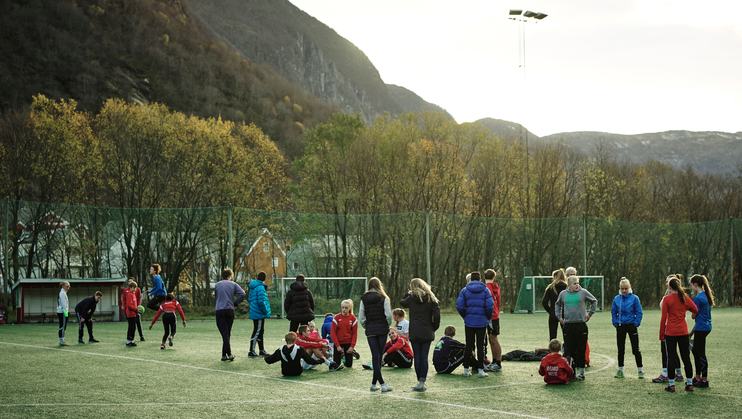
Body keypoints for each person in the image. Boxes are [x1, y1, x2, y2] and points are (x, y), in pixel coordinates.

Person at [400, 277, 440, 392]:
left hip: (415, 332)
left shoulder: (411, 298)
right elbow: (437, 316)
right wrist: (434, 327)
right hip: (427, 331)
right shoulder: (431, 297)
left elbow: (402, 302)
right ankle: (422, 381)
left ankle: (419, 382)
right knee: (424, 357)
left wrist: (406, 293)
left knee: (417, 356)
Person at [659, 275, 698, 393]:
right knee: (686, 358)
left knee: (670, 358)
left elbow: (663, 318)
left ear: (669, 287)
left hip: (670, 332)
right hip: (683, 332)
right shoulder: (684, 297)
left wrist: (661, 334)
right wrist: (691, 314)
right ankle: (690, 384)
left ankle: (671, 386)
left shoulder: (667, 299)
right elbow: (695, 309)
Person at [555, 275, 597, 380]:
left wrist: (589, 314)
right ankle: (571, 372)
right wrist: (559, 317)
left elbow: (594, 301)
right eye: (575, 283)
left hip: (581, 325)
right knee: (569, 350)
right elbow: (557, 304)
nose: (577, 285)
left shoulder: (583, 292)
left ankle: (581, 373)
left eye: (578, 283)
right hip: (568, 326)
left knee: (581, 349)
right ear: (569, 285)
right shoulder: (563, 294)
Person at [456, 271, 494, 378]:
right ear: (480, 279)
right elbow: (490, 306)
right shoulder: (485, 290)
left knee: (469, 345)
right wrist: (487, 317)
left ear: (471, 279)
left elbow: (459, 306)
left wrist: (465, 316)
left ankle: (466, 369)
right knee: (480, 346)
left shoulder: (464, 290)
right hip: (482, 322)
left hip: (469, 322)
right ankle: (481, 369)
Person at [359, 276, 393, 392]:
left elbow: (361, 317)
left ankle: (374, 384)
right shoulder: (384, 298)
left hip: (371, 330)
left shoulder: (364, 298)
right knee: (378, 356)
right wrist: (387, 324)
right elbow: (388, 315)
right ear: (379, 285)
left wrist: (366, 325)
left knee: (376, 356)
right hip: (382, 329)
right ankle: (383, 384)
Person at [611, 277, 644, 379]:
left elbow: (639, 312)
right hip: (620, 326)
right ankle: (620, 370)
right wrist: (615, 322)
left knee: (636, 349)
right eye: (622, 289)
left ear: (629, 288)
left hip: (631, 326)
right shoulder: (616, 299)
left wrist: (636, 323)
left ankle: (640, 370)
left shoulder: (635, 298)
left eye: (626, 288)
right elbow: (613, 312)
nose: (624, 291)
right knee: (621, 349)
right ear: (620, 289)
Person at [652, 274, 682, 383]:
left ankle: (665, 374)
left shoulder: (669, 298)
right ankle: (678, 373)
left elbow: (662, 307)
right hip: (678, 327)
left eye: (667, 282)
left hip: (669, 327)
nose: (666, 284)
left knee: (666, 351)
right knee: (673, 352)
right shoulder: (680, 296)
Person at [215, 268, 246, 361]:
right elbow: (243, 293)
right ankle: (226, 354)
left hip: (219, 310)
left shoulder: (217, 285)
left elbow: (216, 296)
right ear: (230, 276)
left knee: (225, 334)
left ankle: (226, 355)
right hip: (229, 310)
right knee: (227, 333)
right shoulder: (233, 284)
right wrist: (235, 303)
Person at [690, 274, 714, 388]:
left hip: (701, 328)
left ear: (695, 284)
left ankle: (704, 379)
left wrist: (692, 314)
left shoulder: (698, 298)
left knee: (700, 353)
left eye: (691, 285)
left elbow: (694, 316)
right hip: (706, 327)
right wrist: (691, 332)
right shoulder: (706, 295)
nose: (691, 288)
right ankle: (698, 376)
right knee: (695, 351)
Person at [248, 271, 271, 357]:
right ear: (264, 279)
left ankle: (261, 350)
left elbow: (250, 299)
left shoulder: (253, 287)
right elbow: (261, 301)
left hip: (255, 311)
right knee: (257, 331)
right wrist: (265, 311)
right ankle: (251, 351)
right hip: (259, 313)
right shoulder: (260, 287)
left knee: (260, 331)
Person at [330, 299, 359, 368]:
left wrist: (352, 346)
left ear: (350, 308)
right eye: (342, 307)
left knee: (349, 365)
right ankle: (342, 356)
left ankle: (348, 355)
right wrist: (337, 346)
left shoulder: (353, 319)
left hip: (348, 343)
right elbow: (333, 333)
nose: (344, 309)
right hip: (338, 343)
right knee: (336, 365)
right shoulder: (336, 317)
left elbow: (355, 334)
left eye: (346, 308)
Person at [484, 269, 502, 372]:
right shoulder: (496, 286)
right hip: (495, 315)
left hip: (490, 316)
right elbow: (498, 302)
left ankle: (498, 362)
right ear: (493, 277)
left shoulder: (486, 288)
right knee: (492, 339)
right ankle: (495, 361)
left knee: (493, 339)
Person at [542, 269, 567, 341]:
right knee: (566, 335)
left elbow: (544, 302)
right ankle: (567, 351)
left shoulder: (550, 287)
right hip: (565, 314)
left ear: (555, 277)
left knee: (552, 336)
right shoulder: (568, 287)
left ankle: (552, 350)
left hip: (553, 314)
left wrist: (551, 311)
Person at [123, 280, 140, 347]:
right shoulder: (129, 294)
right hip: (130, 314)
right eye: (135, 287)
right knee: (131, 327)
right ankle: (128, 341)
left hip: (134, 313)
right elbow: (129, 305)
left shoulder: (133, 294)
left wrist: (137, 309)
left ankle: (131, 340)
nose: (136, 289)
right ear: (131, 287)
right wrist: (136, 309)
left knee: (133, 327)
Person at [56, 281, 71, 346]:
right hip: (63, 312)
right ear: (63, 286)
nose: (68, 288)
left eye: (69, 286)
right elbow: (64, 304)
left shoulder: (63, 292)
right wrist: (66, 313)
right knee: (62, 326)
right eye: (67, 286)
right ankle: (61, 341)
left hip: (63, 311)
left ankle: (62, 340)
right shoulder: (62, 293)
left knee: (63, 326)